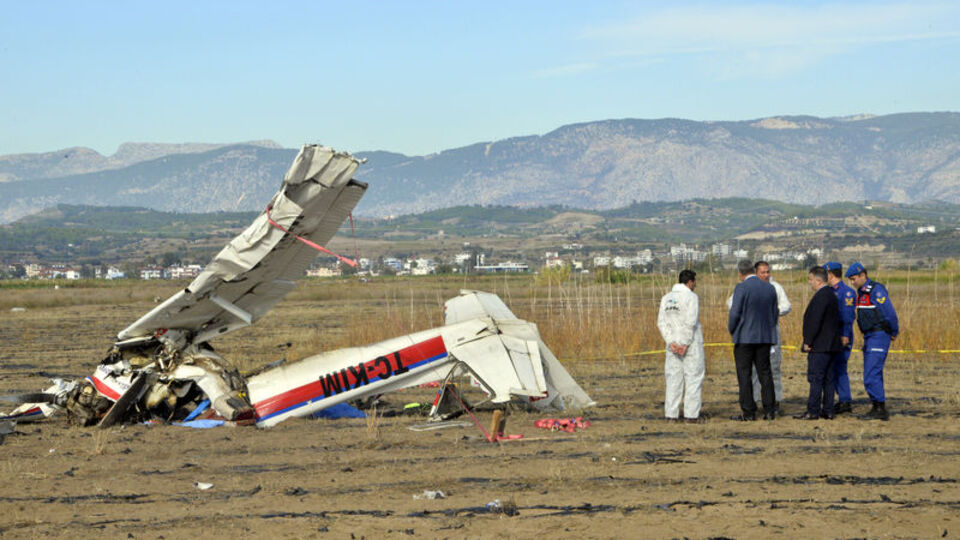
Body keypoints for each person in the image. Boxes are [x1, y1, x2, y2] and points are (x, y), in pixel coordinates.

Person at [846, 262, 899, 421]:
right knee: (873, 372)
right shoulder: (861, 293)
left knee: (870, 374)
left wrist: (894, 331)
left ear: (863, 275)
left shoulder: (876, 290)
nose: (852, 283)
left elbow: (889, 314)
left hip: (879, 335)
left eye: (854, 279)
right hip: (869, 336)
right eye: (850, 280)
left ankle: (879, 408)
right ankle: (877, 405)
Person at [728, 259, 779, 421]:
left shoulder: (741, 287)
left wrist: (732, 329)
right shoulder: (770, 288)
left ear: (741, 273)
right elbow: (775, 313)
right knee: (765, 373)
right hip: (764, 337)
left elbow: (735, 313)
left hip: (745, 338)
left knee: (745, 374)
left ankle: (749, 411)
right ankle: (770, 409)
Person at [657, 269, 706, 423]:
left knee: (673, 379)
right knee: (693, 378)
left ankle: (671, 414)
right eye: (694, 282)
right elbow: (690, 321)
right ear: (690, 282)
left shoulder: (666, 298)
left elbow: (661, 323)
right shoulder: (691, 297)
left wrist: (671, 341)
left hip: (672, 345)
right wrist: (683, 343)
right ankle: (691, 415)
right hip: (690, 344)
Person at [795, 266, 843, 420]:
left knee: (816, 378)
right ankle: (828, 410)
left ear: (818, 280)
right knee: (829, 379)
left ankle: (813, 410)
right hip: (832, 345)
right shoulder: (831, 294)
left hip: (820, 345)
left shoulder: (821, 296)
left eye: (810, 279)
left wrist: (808, 341)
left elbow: (814, 321)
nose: (810, 283)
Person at [823, 262, 857, 414]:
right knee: (830, 368)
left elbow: (848, 316)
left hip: (841, 334)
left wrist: (844, 334)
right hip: (829, 335)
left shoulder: (846, 292)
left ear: (830, 274)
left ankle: (844, 400)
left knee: (840, 368)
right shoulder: (827, 291)